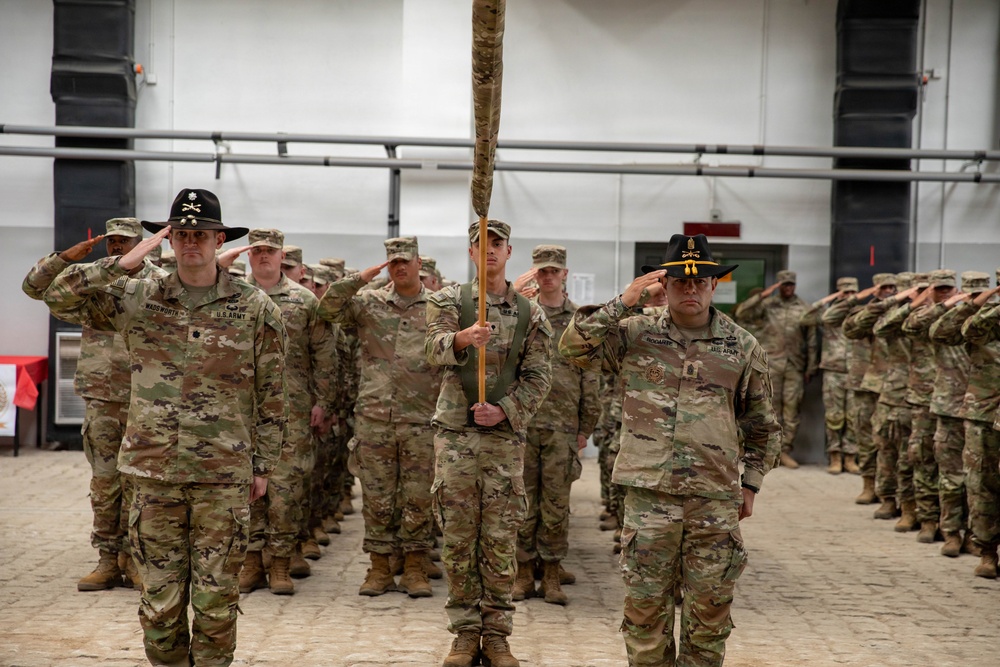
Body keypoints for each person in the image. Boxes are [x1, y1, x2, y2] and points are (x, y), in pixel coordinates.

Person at [43, 188, 286, 666]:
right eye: (181, 234)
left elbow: (272, 395)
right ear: (168, 240)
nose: (191, 243)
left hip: (223, 474)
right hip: (152, 474)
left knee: (216, 601)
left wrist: (263, 466)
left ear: (219, 240)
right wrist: (122, 263)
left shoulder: (256, 308)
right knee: (159, 600)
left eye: (201, 234)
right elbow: (49, 293)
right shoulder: (137, 295)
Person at [560, 233, 780, 667]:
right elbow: (572, 348)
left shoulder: (741, 345)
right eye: (681, 281)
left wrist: (750, 485)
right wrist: (625, 301)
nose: (691, 289)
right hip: (649, 496)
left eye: (701, 281)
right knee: (645, 609)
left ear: (714, 285)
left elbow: (761, 425)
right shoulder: (633, 333)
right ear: (664, 284)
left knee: (709, 611)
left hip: (714, 498)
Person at [425, 219, 552, 667]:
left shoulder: (529, 312)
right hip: (457, 437)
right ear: (472, 252)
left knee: (499, 536)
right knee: (459, 536)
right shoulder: (449, 300)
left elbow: (540, 375)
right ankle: (464, 632)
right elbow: (430, 346)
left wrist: (506, 410)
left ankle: (496, 633)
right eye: (483, 244)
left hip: (502, 439)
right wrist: (461, 338)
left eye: (498, 244)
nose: (491, 251)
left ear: (509, 252)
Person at [22, 217, 167, 591]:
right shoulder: (93, 281)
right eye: (113, 241)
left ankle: (135, 559)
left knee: (141, 485)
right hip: (103, 399)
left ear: (141, 242)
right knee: (105, 485)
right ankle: (107, 559)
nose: (118, 247)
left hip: (144, 400)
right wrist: (64, 258)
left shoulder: (158, 281)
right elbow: (34, 288)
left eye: (126, 241)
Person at [317, 236, 444, 598]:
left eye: (406, 260)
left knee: (419, 497)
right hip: (375, 416)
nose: (400, 267)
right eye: (394, 262)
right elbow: (327, 310)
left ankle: (416, 567)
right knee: (376, 496)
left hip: (422, 417)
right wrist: (357, 279)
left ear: (420, 263)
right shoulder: (369, 303)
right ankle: (379, 568)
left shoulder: (439, 306)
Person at [227, 228, 337, 596]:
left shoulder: (304, 301)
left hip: (292, 408)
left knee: (287, 489)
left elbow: (324, 354)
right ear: (248, 256)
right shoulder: (232, 295)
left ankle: (280, 562)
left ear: (281, 255)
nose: (263, 257)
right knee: (247, 486)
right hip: (243, 411)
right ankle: (252, 561)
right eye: (257, 251)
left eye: (270, 251)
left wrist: (324, 401)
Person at [511, 245, 600, 605]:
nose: (547, 276)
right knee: (521, 502)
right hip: (523, 423)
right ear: (534, 274)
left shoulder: (581, 320)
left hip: (563, 425)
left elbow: (590, 376)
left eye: (553, 271)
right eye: (541, 271)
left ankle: (551, 573)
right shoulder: (521, 316)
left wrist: (585, 426)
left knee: (556, 504)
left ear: (565, 274)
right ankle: (521, 572)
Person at [909, 271, 986, 556]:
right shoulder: (946, 318)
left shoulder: (990, 318)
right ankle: (949, 531)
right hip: (949, 406)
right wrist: (955, 304)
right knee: (949, 473)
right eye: (939, 289)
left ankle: (976, 537)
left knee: (978, 480)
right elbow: (929, 328)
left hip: (983, 409)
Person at [733, 270, 817, 468]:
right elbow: (742, 313)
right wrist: (763, 295)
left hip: (795, 365)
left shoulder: (804, 308)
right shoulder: (766, 306)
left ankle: (785, 450)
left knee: (792, 410)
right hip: (771, 365)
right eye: (784, 285)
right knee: (768, 409)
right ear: (778, 285)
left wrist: (810, 367)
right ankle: (768, 450)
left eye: (791, 285)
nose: (788, 288)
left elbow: (812, 340)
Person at [834, 273, 898, 504]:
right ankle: (869, 484)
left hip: (892, 386)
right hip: (863, 384)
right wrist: (867, 300)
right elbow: (838, 320)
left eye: (893, 287)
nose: (889, 291)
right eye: (884, 287)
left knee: (889, 441)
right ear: (876, 289)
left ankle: (890, 490)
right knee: (864, 437)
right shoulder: (862, 312)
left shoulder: (900, 314)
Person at [800, 277, 860, 474]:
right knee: (834, 416)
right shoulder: (828, 314)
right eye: (845, 293)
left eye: (853, 293)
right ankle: (835, 457)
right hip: (833, 371)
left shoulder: (860, 314)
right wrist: (830, 299)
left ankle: (850, 457)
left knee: (853, 416)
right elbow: (805, 318)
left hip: (855, 371)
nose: (849, 297)